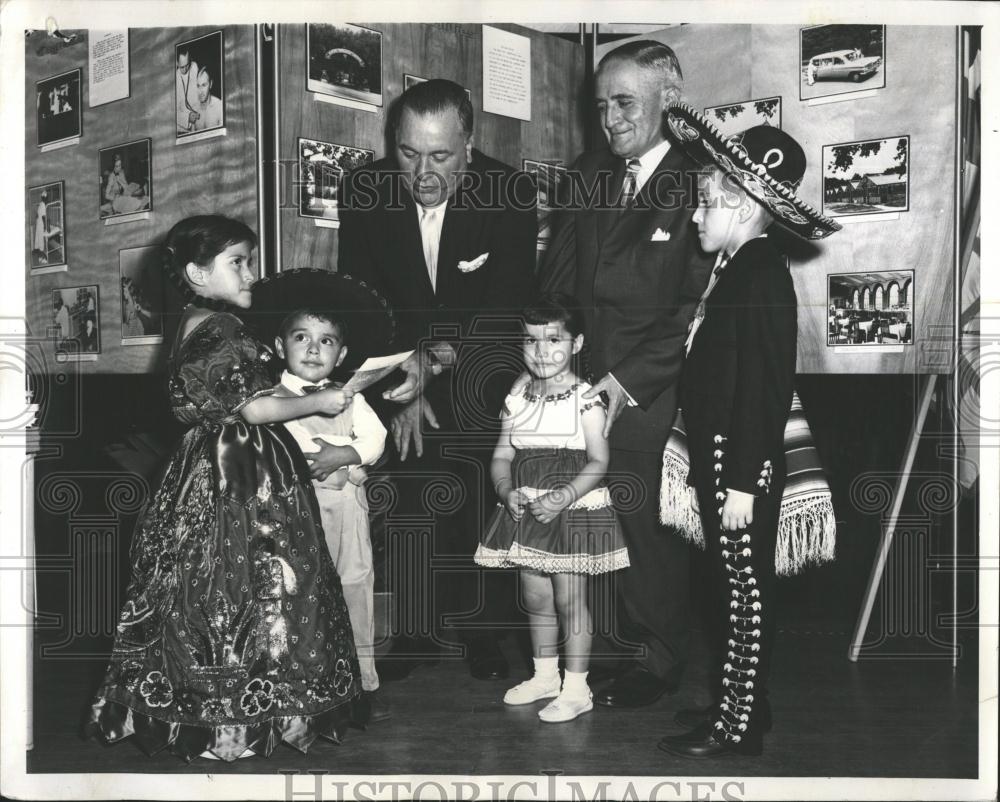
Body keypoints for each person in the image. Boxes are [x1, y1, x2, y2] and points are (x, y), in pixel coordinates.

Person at [85, 215, 367, 762]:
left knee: (210, 586)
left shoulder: (193, 322)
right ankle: (239, 720)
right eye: (238, 261)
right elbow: (254, 408)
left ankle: (213, 716)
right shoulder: (220, 328)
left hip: (208, 464)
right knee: (255, 583)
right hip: (238, 471)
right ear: (196, 271)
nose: (250, 273)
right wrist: (318, 401)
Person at [656, 104, 840, 758]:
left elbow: (764, 386)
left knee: (742, 598)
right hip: (723, 456)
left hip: (739, 463)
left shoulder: (759, 273)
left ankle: (736, 730)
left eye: (706, 202)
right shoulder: (740, 268)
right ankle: (742, 712)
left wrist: (743, 482)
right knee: (727, 591)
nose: (696, 214)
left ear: (739, 205)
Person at [337, 78, 537, 680]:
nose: (422, 172)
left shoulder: (510, 191)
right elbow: (362, 304)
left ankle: (486, 635)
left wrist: (434, 362)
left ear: (469, 146)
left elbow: (505, 307)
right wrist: (401, 386)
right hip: (397, 372)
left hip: (479, 368)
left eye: (441, 156)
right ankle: (419, 634)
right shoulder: (364, 188)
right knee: (412, 500)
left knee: (481, 498)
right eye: (408, 153)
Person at [540, 40, 713, 709]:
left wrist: (626, 383)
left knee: (644, 530)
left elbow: (694, 309)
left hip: (651, 393)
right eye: (601, 105)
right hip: (582, 386)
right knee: (592, 529)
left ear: (669, 103)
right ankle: (613, 650)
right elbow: (555, 281)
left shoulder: (701, 179)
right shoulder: (586, 174)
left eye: (624, 102)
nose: (609, 118)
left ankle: (658, 656)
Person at [475, 293, 627, 723]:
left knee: (569, 600)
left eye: (553, 340)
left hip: (572, 508)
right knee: (535, 597)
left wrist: (562, 497)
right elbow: (502, 454)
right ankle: (545, 676)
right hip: (528, 507)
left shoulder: (585, 399)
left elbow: (599, 460)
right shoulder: (517, 395)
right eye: (531, 341)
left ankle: (577, 688)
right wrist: (506, 491)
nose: (541, 351)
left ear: (576, 344)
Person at [258, 270, 392, 723]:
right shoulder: (271, 399)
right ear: (281, 347)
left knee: (355, 588)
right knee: (300, 594)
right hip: (299, 515)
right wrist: (333, 459)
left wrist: (349, 453)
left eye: (327, 341)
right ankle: (304, 688)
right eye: (302, 337)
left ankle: (359, 681)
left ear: (343, 353)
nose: (314, 349)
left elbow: (377, 438)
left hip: (349, 513)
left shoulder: (350, 397)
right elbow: (295, 450)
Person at [176, 47, 200, 133]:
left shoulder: (194, 66)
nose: (186, 69)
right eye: (182, 67)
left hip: (199, 115)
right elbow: (173, 114)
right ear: (176, 63)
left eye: (187, 65)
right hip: (185, 124)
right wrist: (187, 117)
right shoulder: (174, 80)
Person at [193, 66, 223, 131]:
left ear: (211, 84)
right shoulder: (194, 109)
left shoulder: (219, 106)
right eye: (198, 86)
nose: (200, 91)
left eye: (204, 85)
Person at [33, 191, 49, 264]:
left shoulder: (40, 204)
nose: (46, 200)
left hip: (38, 223)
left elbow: (37, 215)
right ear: (45, 198)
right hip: (41, 224)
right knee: (41, 240)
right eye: (46, 198)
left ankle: (38, 254)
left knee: (38, 238)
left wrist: (38, 220)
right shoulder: (43, 205)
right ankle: (42, 257)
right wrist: (46, 227)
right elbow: (43, 216)